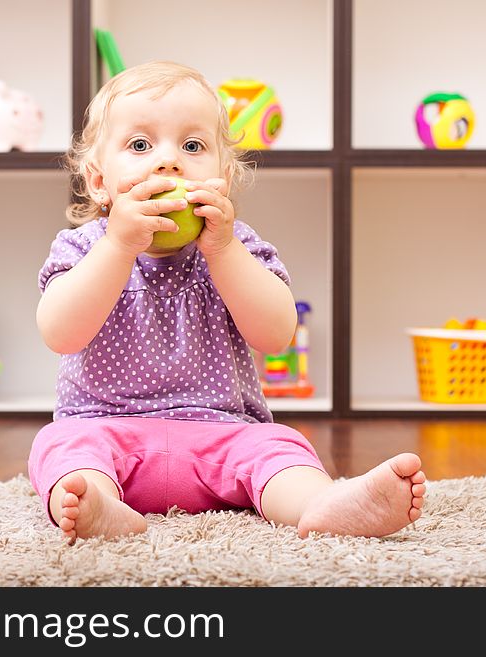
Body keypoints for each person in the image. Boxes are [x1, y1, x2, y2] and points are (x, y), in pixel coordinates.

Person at [29, 61, 426, 543]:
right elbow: (60, 332)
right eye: (139, 145)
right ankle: (99, 507)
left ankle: (321, 505)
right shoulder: (83, 247)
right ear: (98, 181)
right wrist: (118, 246)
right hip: (106, 431)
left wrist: (223, 251)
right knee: (60, 448)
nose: (169, 162)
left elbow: (276, 335)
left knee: (278, 447)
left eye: (192, 146)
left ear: (223, 177)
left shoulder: (237, 246)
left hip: (222, 434)